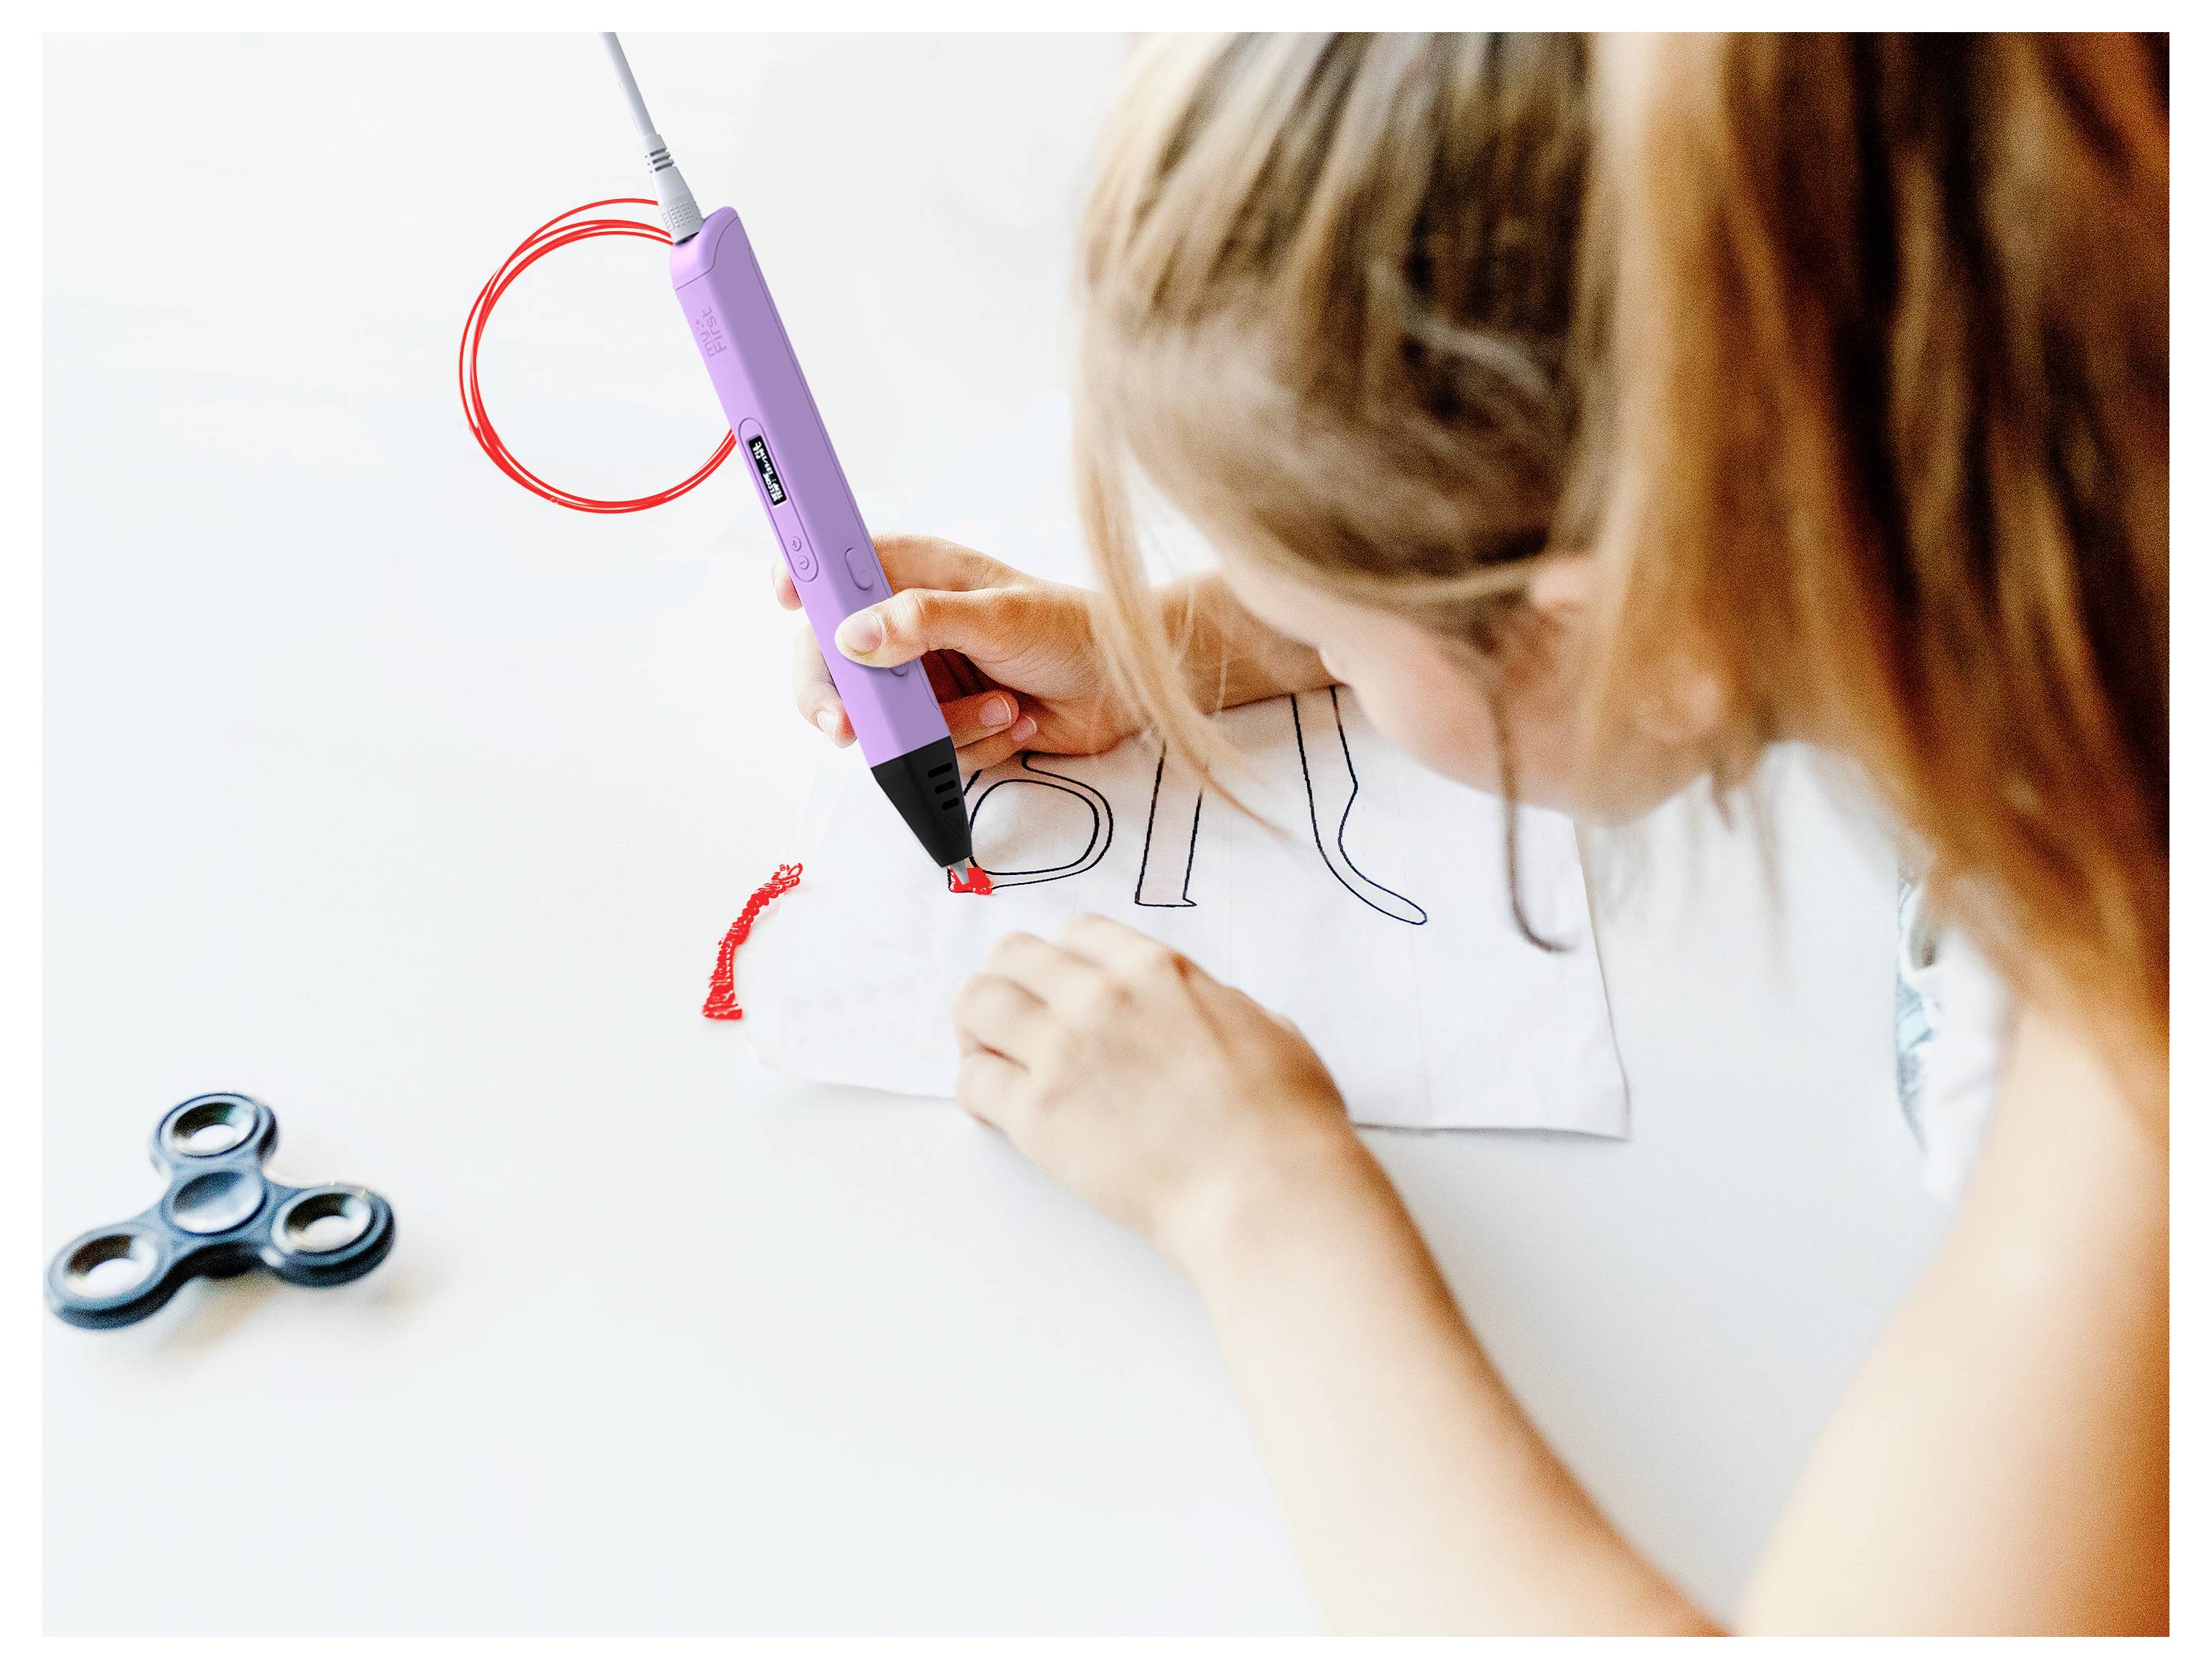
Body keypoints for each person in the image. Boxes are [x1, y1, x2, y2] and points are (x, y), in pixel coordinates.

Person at [779, 34, 2168, 1634]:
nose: (1310, 650)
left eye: (1345, 632)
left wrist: (1262, 1196)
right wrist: (1189, 644)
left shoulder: (2140, 1036)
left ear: (1642, 619)